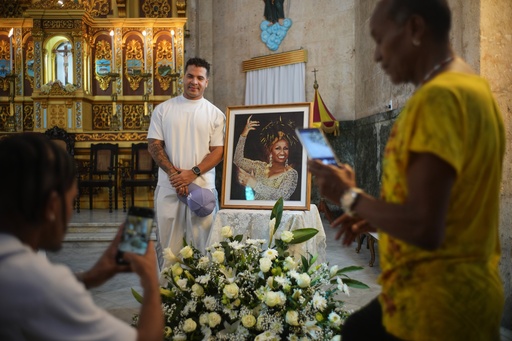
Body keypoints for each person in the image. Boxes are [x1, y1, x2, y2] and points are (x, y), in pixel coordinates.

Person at [308, 1, 505, 340]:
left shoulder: (439, 99)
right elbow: (446, 206)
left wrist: (349, 196)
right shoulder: (471, 86)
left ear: (414, 29)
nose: (377, 56)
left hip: (436, 307)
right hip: (460, 294)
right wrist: (376, 214)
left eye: (380, 39)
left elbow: (425, 226)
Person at [0, 133, 163, 341]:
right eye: (71, 200)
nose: (70, 212)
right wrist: (150, 283)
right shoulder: (42, 284)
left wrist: (92, 276)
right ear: (51, 206)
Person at [148, 57, 225, 267]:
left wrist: (192, 173)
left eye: (200, 78)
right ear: (183, 77)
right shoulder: (163, 110)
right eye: (190, 76)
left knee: (203, 247)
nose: (194, 81)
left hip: (202, 189)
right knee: (168, 248)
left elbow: (219, 151)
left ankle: (201, 298)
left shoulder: (215, 114)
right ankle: (168, 297)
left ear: (206, 82)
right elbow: (154, 145)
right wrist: (176, 176)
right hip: (170, 188)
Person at [234, 115, 298, 200]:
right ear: (270, 150)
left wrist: (254, 184)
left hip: (277, 213)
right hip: (256, 211)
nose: (282, 152)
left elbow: (281, 196)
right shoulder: (259, 167)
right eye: (277, 148)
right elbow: (238, 160)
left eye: (285, 148)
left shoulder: (291, 174)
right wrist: (244, 134)